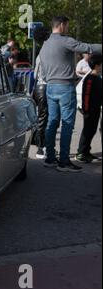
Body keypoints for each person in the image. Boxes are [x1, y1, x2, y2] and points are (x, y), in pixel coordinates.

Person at [39, 15, 102, 172]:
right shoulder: (64, 40)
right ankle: (64, 161)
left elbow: (43, 71)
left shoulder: (44, 44)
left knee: (52, 122)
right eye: (67, 26)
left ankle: (50, 157)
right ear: (61, 25)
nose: (67, 29)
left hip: (50, 87)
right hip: (65, 87)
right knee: (67, 124)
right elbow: (86, 47)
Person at [75, 55, 102, 163]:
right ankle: (81, 153)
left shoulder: (98, 78)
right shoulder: (90, 78)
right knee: (87, 131)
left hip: (96, 109)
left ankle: (86, 152)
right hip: (89, 109)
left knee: (92, 130)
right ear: (97, 65)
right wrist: (86, 110)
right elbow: (86, 95)